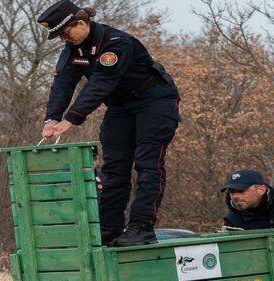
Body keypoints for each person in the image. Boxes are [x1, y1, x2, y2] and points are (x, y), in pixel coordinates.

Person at [37, 0, 180, 247]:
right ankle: (109, 228)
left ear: (81, 23)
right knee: (114, 168)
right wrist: (52, 117)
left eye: (64, 33)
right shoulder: (73, 51)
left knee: (148, 163)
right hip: (120, 106)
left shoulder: (116, 44)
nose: (62, 39)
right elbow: (63, 84)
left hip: (155, 101)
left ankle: (141, 228)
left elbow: (100, 84)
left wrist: (71, 119)